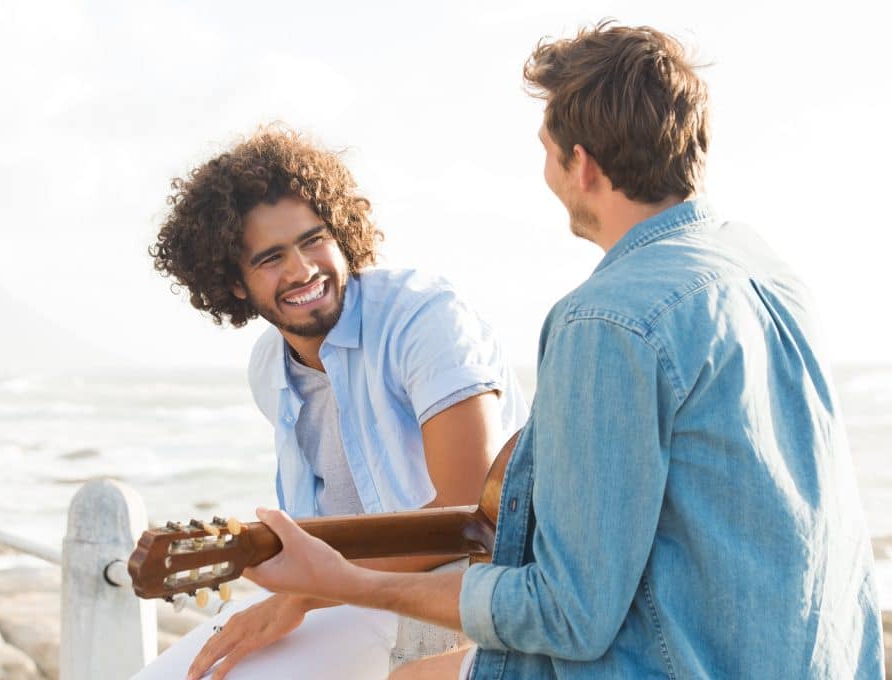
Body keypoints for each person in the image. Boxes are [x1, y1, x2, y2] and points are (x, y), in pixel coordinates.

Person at [234, 21, 886, 680]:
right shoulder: (768, 272)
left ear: (583, 164)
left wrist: (347, 583)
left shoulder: (606, 320)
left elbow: (566, 615)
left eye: (546, 148)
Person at [147, 127, 529, 679]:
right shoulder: (268, 369)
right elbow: (323, 525)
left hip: (469, 586)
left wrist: (301, 595)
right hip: (350, 594)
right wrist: (282, 577)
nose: (302, 271)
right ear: (233, 283)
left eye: (312, 240)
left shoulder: (423, 319)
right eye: (271, 258)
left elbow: (469, 514)